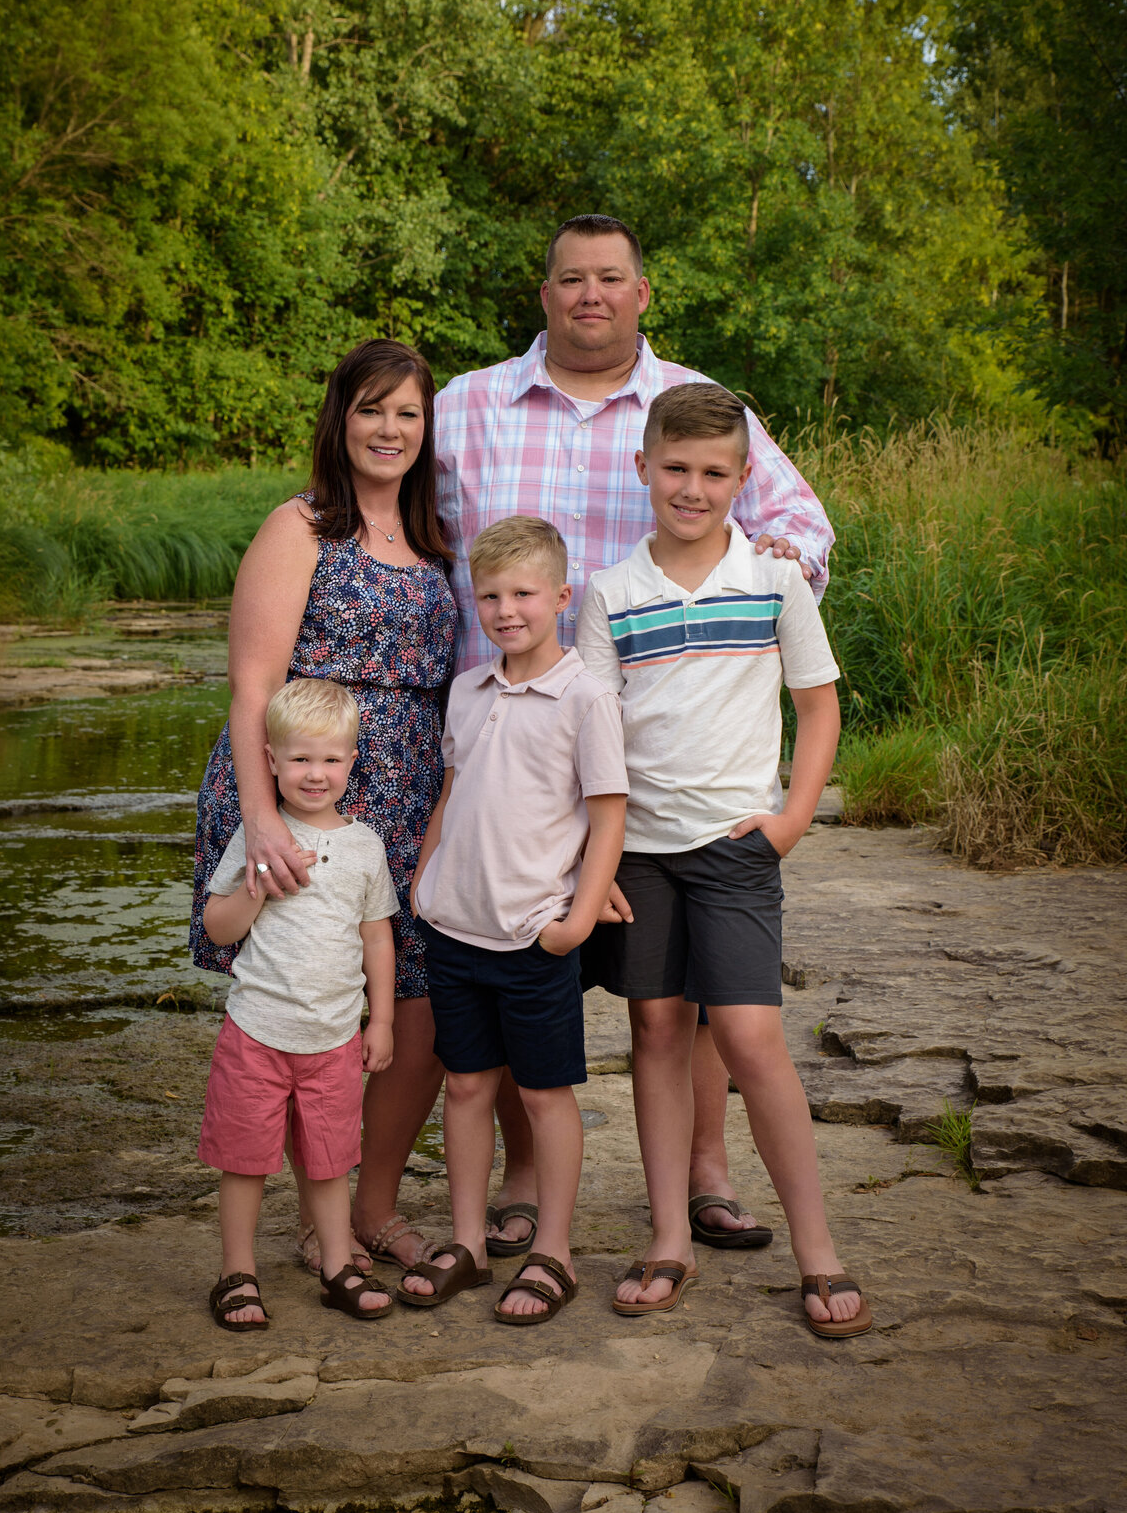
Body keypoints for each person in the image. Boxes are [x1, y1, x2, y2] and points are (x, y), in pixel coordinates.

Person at [433, 213, 835, 1255]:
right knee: (534, 949)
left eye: (612, 278)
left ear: (643, 292)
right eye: (571, 279)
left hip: (664, 750)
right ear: (546, 293)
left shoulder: (690, 407)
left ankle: (705, 1171)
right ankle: (526, 1169)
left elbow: (799, 523)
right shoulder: (465, 406)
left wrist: (757, 586)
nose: (591, 296)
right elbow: (396, 506)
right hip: (516, 732)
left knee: (685, 996)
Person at [576, 382, 871, 1337]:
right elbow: (589, 738)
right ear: (643, 471)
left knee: (748, 1037)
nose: (692, 488)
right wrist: (599, 859)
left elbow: (818, 706)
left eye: (713, 473)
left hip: (736, 848)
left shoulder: (774, 579)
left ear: (744, 480)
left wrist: (792, 820)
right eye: (675, 469)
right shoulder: (610, 594)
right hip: (641, 855)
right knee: (658, 1029)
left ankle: (817, 1247)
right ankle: (669, 1238)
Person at [190, 339, 457, 1281]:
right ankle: (318, 1223)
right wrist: (260, 820)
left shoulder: (437, 541)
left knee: (414, 1009)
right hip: (305, 792)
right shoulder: (300, 526)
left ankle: (365, 1207)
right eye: (371, 409)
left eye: (408, 414)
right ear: (339, 418)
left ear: (427, 431)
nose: (390, 429)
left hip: (405, 802)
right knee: (306, 999)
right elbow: (254, 683)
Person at [398, 517, 628, 1323]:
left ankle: (553, 1252)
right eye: (489, 595)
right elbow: (454, 791)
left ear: (562, 597)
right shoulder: (469, 687)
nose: (505, 609)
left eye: (524, 593)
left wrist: (575, 920)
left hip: (533, 934)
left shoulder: (587, 697)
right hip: (453, 927)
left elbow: (608, 816)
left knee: (543, 1095)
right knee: (464, 1086)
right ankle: (465, 1240)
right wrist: (424, 879)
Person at [200, 678, 397, 1327]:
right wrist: (258, 884)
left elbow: (377, 937)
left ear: (351, 760)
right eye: (301, 759)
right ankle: (237, 1272)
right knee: (246, 1159)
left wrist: (383, 1019)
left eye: (331, 758)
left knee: (330, 1158)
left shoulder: (365, 845)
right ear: (272, 760)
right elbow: (218, 926)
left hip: (334, 1037)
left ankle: (338, 1264)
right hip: (256, 1031)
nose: (317, 773)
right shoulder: (258, 837)